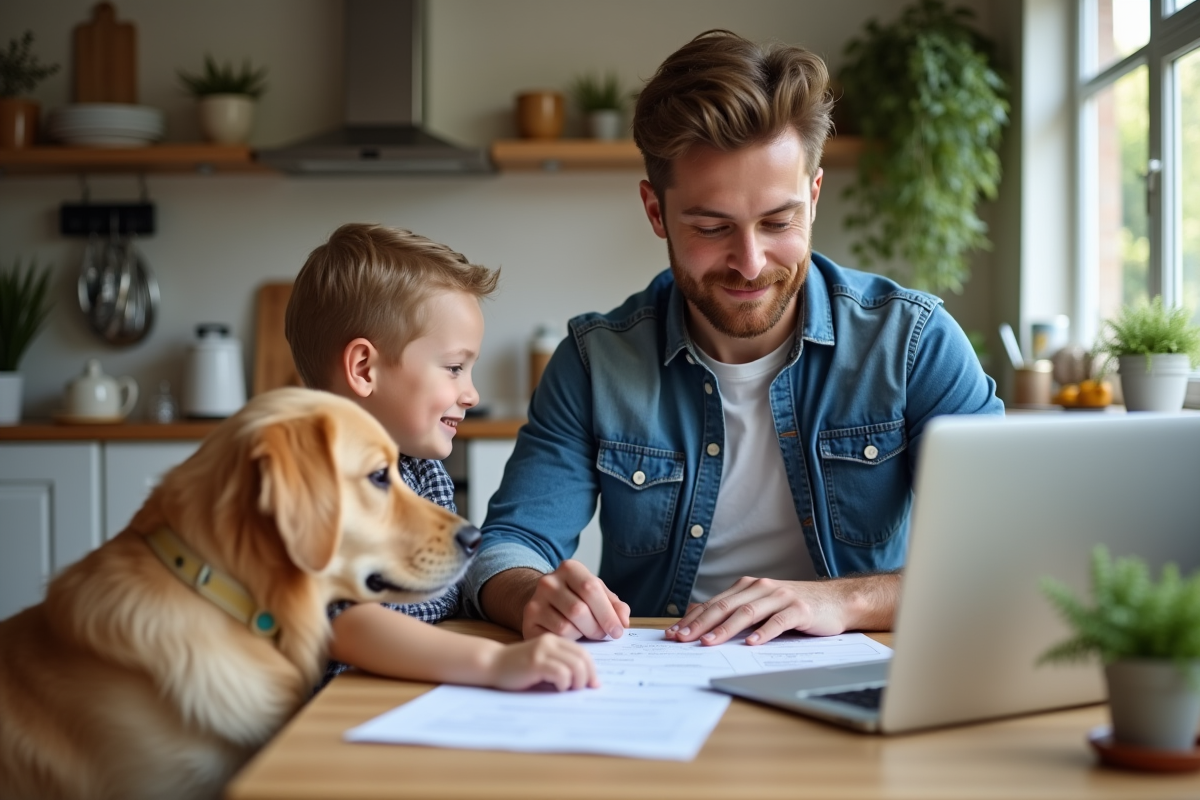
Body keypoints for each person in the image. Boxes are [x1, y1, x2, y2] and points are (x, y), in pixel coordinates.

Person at [464, 31, 1004, 648]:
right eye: (711, 226)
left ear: (815, 196)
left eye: (778, 221)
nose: (749, 263)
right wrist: (535, 595)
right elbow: (508, 547)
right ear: (656, 211)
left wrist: (841, 600)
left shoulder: (912, 342)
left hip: (858, 677)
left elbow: (1001, 550)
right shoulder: (596, 362)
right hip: (658, 678)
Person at [286, 222, 596, 691]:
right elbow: (347, 625)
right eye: (454, 368)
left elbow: (455, 587)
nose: (471, 394)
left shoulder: (422, 472)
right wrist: (493, 663)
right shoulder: (316, 478)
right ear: (364, 368)